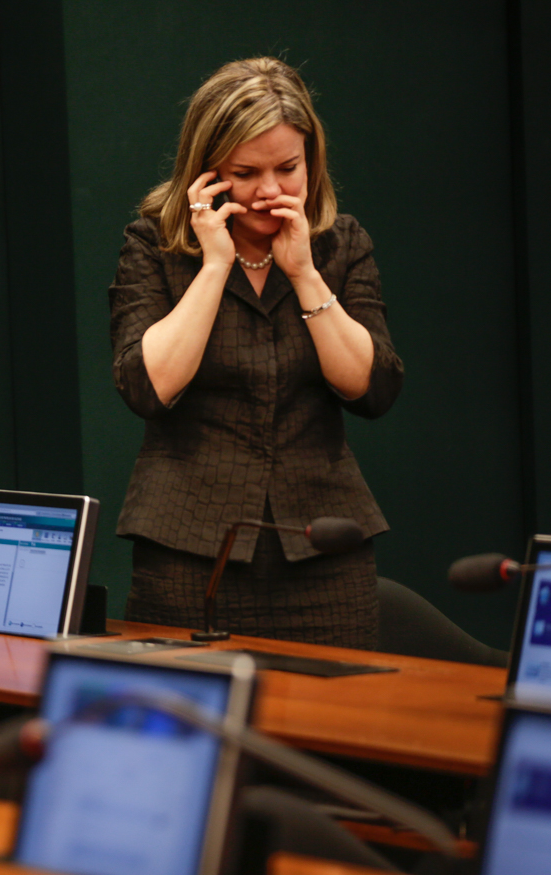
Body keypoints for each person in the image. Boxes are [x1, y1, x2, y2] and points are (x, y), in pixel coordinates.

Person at [109, 57, 403, 650]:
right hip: (190, 556)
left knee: (333, 730)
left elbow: (372, 389)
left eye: (288, 168)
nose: (271, 191)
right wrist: (215, 264)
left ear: (311, 161)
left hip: (323, 555)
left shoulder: (341, 245)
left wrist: (304, 275)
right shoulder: (153, 246)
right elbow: (149, 387)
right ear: (207, 171)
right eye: (246, 172)